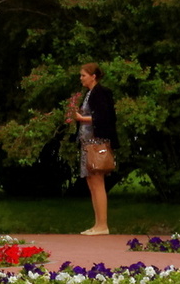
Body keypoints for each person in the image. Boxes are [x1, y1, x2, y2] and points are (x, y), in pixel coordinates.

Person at [68, 62, 117, 235]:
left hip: (96, 143)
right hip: (87, 143)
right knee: (91, 182)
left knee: (97, 181)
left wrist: (82, 118)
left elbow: (105, 117)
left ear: (93, 76)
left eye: (83, 75)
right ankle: (98, 224)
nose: (81, 78)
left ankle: (103, 225)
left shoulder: (101, 93)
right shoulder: (89, 94)